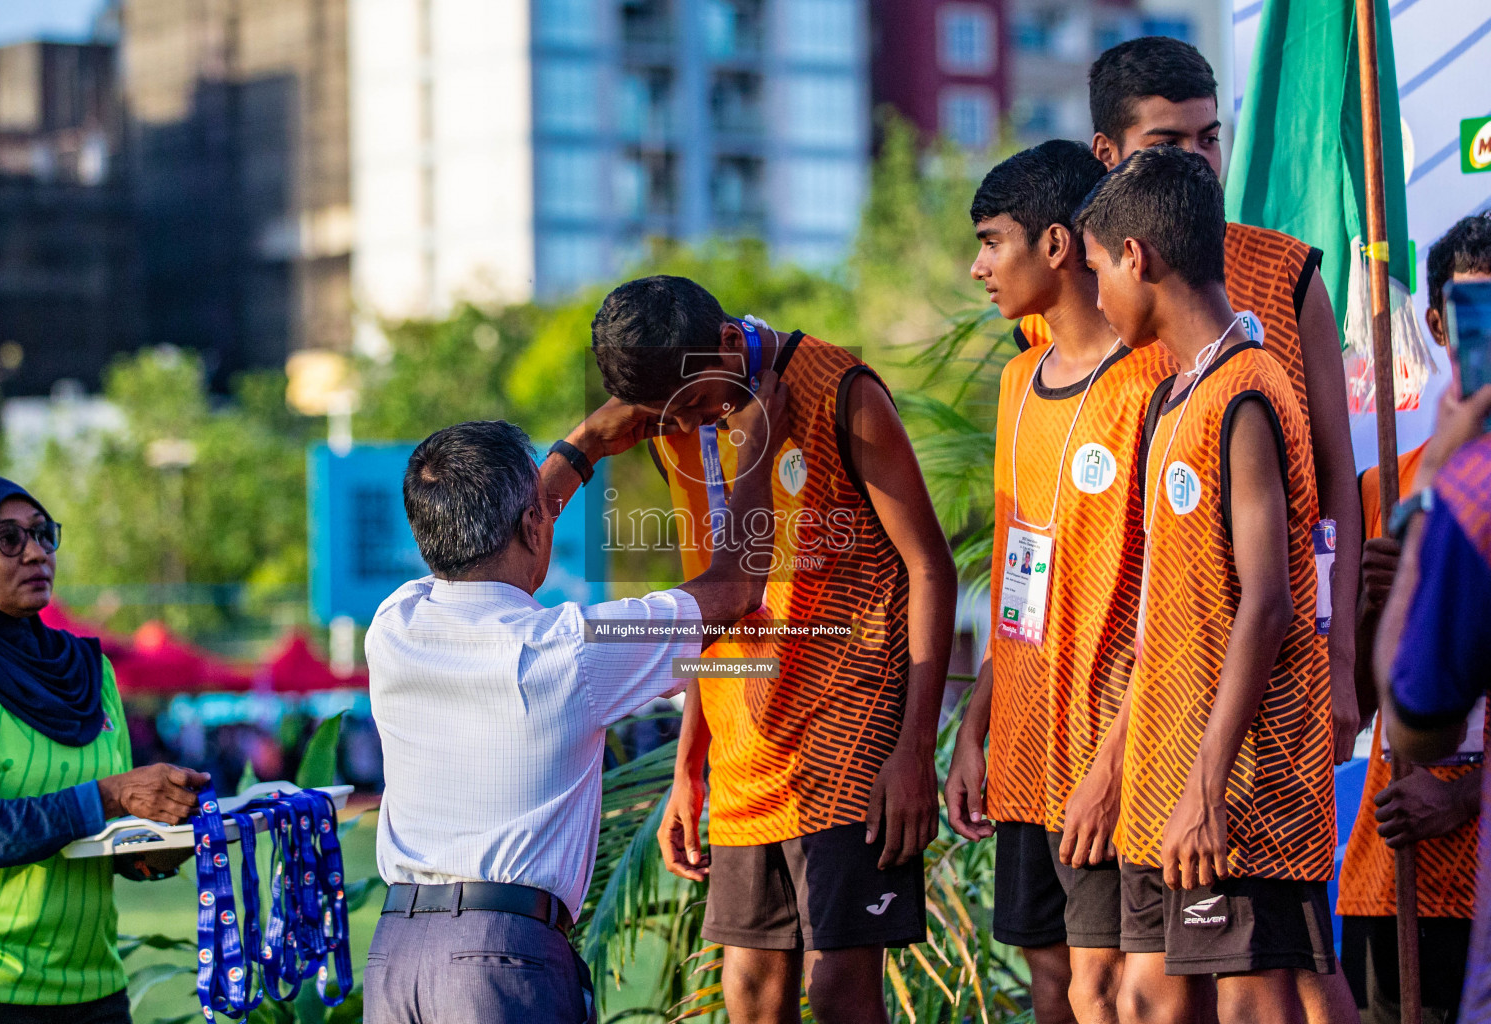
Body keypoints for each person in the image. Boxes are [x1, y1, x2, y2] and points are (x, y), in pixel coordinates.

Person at [592, 276, 958, 1024]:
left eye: (699, 402)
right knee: (750, 993)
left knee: (838, 990)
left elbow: (931, 566)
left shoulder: (840, 390)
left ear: (731, 342)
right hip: (745, 756)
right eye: (678, 413)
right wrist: (690, 764)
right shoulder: (677, 427)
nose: (695, 420)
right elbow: (710, 605)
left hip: (847, 740)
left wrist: (915, 748)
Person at [361, 383, 786, 1024]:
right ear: (535, 523)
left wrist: (581, 447)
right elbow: (737, 587)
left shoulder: (394, 624)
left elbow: (485, 540)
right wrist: (758, 435)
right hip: (499, 960)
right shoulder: (570, 653)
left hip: (396, 959)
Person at [1016, 35, 1364, 772]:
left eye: (1210, 137)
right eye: (1167, 140)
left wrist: (1339, 654)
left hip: (1261, 683)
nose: (1198, 159)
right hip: (1108, 699)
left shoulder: (1289, 274)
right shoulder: (1068, 303)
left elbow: (1335, 481)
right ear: (1107, 153)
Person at [1078, 146, 1336, 1024]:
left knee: (1255, 1004)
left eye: (1098, 269)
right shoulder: (1171, 396)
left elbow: (1267, 602)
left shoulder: (1248, 391)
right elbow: (1162, 618)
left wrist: (1206, 785)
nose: (1097, 296)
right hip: (1164, 771)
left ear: (1138, 258)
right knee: (1145, 1000)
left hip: (1240, 785)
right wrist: (1124, 765)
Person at [943, 139, 1175, 1024]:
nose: (977, 267)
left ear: (1055, 244)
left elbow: (1178, 595)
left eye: (991, 241)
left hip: (1114, 750)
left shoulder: (1155, 379)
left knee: (1108, 991)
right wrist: (979, 726)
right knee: (1050, 979)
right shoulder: (1014, 379)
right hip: (1027, 749)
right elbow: (1017, 567)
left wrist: (1116, 760)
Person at [0, 474, 211, 1024]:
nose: (35, 552)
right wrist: (114, 794)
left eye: (43, 534)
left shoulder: (90, 672)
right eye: (7, 538)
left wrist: (166, 842)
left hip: (96, 990)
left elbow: (104, 839)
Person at [1337, 212, 1491, 1024]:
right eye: (1476, 312)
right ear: (1436, 322)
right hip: (1394, 873)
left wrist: (1469, 799)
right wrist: (1376, 603)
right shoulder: (1386, 491)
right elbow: (1358, 707)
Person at [1372, 378, 1491, 1022]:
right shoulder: (1386, 488)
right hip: (1395, 886)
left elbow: (1417, 722)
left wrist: (1425, 526)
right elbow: (1363, 708)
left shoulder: (1471, 494)